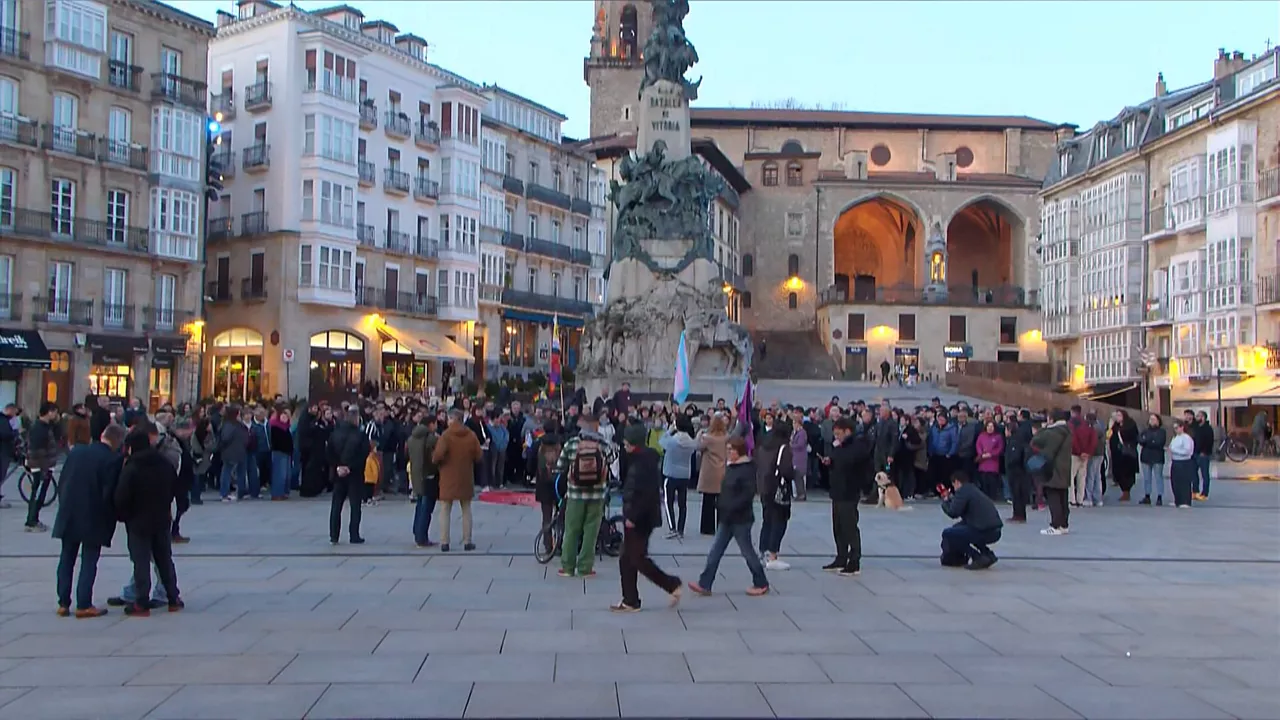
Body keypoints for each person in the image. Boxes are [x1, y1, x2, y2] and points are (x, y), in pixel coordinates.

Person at [52, 423, 126, 617]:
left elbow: (63, 482)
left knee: (67, 557)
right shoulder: (112, 459)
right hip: (95, 515)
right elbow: (110, 491)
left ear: (102, 435)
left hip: (70, 511)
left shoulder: (76, 453)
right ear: (118, 442)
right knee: (89, 559)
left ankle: (63, 602)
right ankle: (83, 603)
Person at [113, 425, 183, 616]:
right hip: (161, 517)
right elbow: (174, 488)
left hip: (138, 520)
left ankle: (141, 602)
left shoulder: (132, 466)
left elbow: (122, 496)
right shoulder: (164, 463)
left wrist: (123, 515)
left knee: (141, 560)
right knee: (164, 559)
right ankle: (173, 598)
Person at [688, 437, 769, 597]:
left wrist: (730, 507)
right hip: (726, 517)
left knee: (747, 552)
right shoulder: (731, 467)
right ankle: (705, 583)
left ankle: (761, 582)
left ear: (739, 451)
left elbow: (746, 495)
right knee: (715, 551)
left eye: (731, 449)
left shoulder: (746, 469)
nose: (729, 452)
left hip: (740, 518)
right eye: (728, 449)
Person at [612, 425, 681, 612]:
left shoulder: (643, 463)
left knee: (637, 558)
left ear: (634, 444)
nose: (624, 445)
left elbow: (646, 494)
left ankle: (672, 584)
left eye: (626, 442)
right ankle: (630, 600)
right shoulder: (639, 459)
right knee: (627, 558)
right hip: (638, 515)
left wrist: (632, 517)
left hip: (640, 518)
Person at [554, 411, 619, 578]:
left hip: (575, 495)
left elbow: (560, 465)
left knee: (571, 530)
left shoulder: (571, 444)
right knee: (591, 531)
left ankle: (567, 567)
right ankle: (585, 568)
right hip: (597, 495)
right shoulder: (602, 445)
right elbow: (613, 459)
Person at [824, 417, 871, 576]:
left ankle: (854, 560)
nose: (836, 437)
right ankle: (841, 556)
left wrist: (838, 453)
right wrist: (830, 461)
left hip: (849, 491)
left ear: (847, 431)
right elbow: (838, 463)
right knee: (838, 526)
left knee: (850, 526)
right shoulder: (840, 446)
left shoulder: (857, 446)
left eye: (838, 434)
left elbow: (850, 462)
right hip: (837, 491)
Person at [432, 409, 483, 552]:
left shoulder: (446, 436)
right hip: (466, 476)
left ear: (453, 419)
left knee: (445, 509)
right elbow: (479, 455)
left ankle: (444, 542)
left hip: (448, 476)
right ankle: (467, 541)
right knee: (466, 509)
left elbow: (437, 456)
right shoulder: (471, 435)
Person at [939, 470, 1004, 570]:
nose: (954, 489)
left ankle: (977, 556)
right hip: (994, 530)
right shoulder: (973, 489)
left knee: (949, 533)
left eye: (953, 485)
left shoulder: (963, 491)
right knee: (959, 529)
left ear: (957, 482)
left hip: (983, 529)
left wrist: (945, 501)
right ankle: (988, 555)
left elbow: (953, 512)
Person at [327, 409, 370, 545]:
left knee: (336, 505)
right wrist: (350, 467)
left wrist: (338, 466)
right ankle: (354, 534)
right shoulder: (361, 435)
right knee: (355, 505)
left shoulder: (335, 434)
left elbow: (329, 453)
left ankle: (334, 535)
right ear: (356, 419)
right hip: (355, 474)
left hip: (339, 473)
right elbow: (363, 454)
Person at [1030, 409, 1073, 536]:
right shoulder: (1067, 430)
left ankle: (1055, 525)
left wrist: (1044, 428)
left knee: (1053, 496)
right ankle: (1064, 525)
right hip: (1065, 467)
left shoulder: (1052, 432)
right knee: (1063, 497)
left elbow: (1035, 440)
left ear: (1052, 419)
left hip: (1053, 468)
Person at [658, 416, 698, 539]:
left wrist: (670, 430)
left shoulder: (672, 441)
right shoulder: (691, 442)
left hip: (670, 473)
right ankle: (681, 529)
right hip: (685, 474)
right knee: (682, 503)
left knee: (668, 502)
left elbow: (661, 441)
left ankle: (672, 527)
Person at [25, 402, 61, 532]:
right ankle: (31, 521)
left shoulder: (46, 426)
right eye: (55, 412)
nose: (57, 415)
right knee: (37, 493)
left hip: (44, 465)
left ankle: (34, 519)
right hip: (40, 466)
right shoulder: (39, 428)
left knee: (40, 493)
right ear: (49, 412)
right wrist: (44, 468)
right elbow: (38, 449)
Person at [406, 413, 440, 548]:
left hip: (416, 475)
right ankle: (422, 538)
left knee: (420, 505)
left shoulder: (412, 437)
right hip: (429, 475)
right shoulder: (430, 438)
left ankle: (417, 532)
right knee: (427, 508)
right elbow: (434, 457)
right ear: (431, 424)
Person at [695, 415, 728, 536]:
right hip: (722, 471)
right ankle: (721, 527)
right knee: (722, 502)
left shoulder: (707, 438)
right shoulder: (726, 438)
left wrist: (699, 435)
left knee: (707, 501)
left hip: (709, 472)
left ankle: (707, 528)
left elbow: (698, 447)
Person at [1068, 405, 1097, 508]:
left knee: (1071, 477)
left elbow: (1073, 440)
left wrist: (1079, 452)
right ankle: (1080, 499)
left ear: (1072, 412)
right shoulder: (1088, 424)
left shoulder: (1072, 424)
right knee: (1082, 477)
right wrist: (1088, 452)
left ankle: (1072, 500)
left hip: (1075, 454)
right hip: (1085, 456)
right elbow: (1093, 440)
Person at [1137, 414, 1167, 506]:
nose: (1152, 421)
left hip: (1157, 457)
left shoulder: (1162, 432)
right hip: (1146, 457)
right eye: (1150, 419)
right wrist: (1149, 441)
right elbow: (1140, 440)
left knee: (1158, 477)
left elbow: (1159, 443)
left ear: (1158, 421)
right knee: (1146, 478)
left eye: (1154, 419)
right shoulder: (1145, 431)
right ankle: (1147, 496)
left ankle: (1159, 496)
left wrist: (1147, 441)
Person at [1168, 420, 1197, 508]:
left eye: (1177, 428)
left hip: (1184, 462)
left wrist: (1174, 451)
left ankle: (1185, 501)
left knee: (1184, 482)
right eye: (1174, 428)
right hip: (1175, 461)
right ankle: (1177, 500)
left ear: (1182, 427)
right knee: (1175, 482)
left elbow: (1188, 451)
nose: (1175, 430)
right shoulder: (1175, 438)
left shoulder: (1187, 438)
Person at [1190, 410, 1215, 501]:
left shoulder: (1208, 428)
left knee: (1204, 474)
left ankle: (1205, 493)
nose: (1196, 418)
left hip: (1204, 455)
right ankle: (1195, 491)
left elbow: (1210, 442)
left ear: (1203, 418)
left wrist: (1205, 452)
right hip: (1194, 453)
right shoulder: (1196, 428)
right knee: (1193, 473)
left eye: (1198, 416)